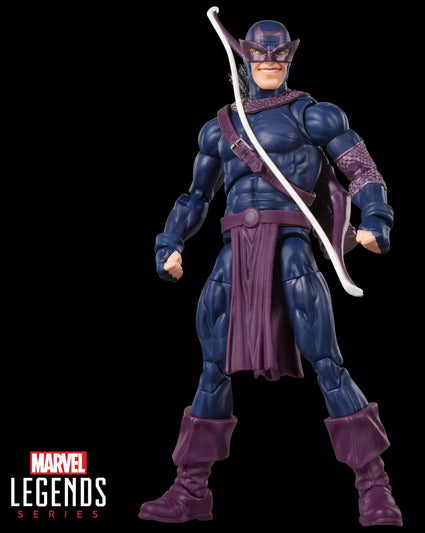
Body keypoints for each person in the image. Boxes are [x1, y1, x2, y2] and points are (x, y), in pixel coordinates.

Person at [139, 18, 402, 527]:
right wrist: (169, 241)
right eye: (259, 55)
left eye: (278, 54)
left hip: (290, 247)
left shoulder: (314, 115)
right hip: (233, 250)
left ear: (289, 57)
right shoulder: (219, 128)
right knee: (212, 366)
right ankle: (191, 489)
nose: (268, 63)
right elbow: (195, 197)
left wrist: (376, 218)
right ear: (244, 57)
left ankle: (375, 487)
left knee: (327, 361)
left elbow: (362, 170)